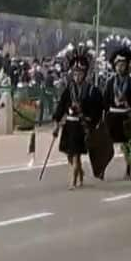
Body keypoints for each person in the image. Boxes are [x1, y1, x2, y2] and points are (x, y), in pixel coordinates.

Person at [52, 48, 102, 190]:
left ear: (85, 73)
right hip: (69, 125)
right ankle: (80, 172)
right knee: (70, 155)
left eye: (80, 73)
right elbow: (61, 107)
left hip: (82, 126)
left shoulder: (91, 90)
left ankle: (73, 181)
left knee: (76, 155)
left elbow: (97, 109)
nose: (77, 76)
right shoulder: (69, 89)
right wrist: (56, 124)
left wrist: (85, 114)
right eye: (74, 73)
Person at [102, 40, 131, 180]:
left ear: (127, 66)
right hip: (113, 115)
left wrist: (129, 105)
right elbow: (105, 100)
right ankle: (102, 168)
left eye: (123, 64)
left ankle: (128, 169)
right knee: (106, 144)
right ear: (115, 66)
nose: (120, 67)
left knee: (127, 146)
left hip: (126, 116)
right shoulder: (109, 83)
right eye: (118, 65)